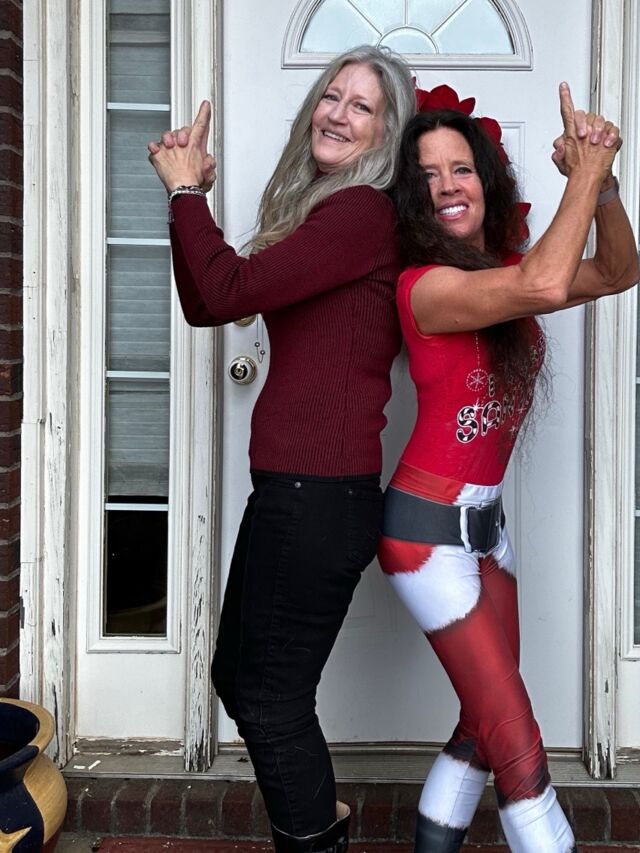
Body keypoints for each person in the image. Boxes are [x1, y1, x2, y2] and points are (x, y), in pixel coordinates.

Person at [147, 46, 416, 853]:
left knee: (267, 696)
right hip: (299, 493)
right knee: (245, 680)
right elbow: (209, 302)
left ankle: (315, 839)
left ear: (387, 134)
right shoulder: (334, 214)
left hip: (317, 497)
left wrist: (187, 192)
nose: (337, 113)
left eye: (362, 106)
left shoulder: (361, 214)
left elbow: (226, 288)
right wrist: (188, 202)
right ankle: (320, 825)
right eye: (332, 96)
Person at [377, 82, 639, 853]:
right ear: (411, 199)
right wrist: (583, 171)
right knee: (519, 746)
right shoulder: (426, 287)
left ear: (486, 182)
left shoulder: (503, 275)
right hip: (426, 539)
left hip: (488, 533)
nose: (446, 185)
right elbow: (547, 283)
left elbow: (617, 271)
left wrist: (604, 186)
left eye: (461, 168)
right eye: (427, 175)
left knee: (482, 723)